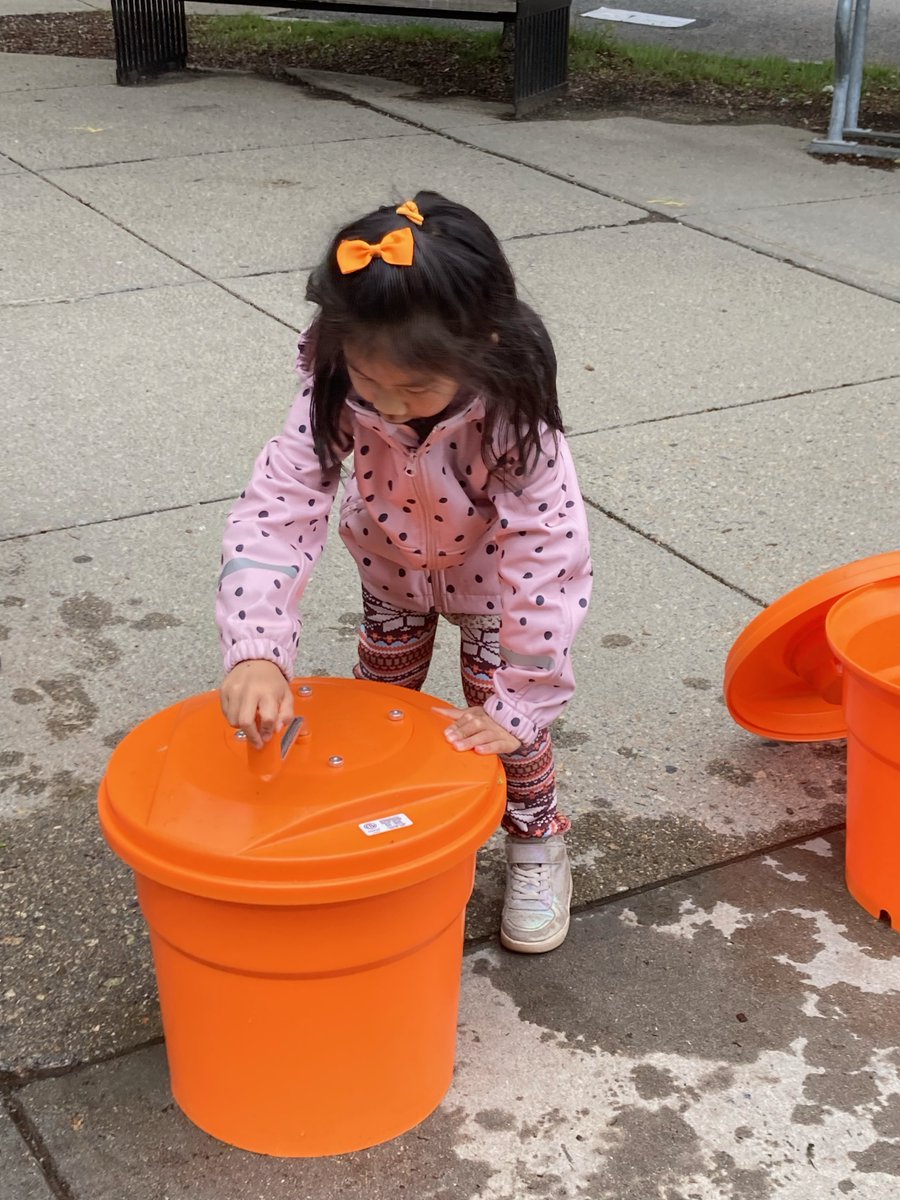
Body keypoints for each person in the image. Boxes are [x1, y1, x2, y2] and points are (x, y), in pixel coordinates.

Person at [217, 192, 592, 954]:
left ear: (480, 344)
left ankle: (534, 842)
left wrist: (522, 699)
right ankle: (380, 819)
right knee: (379, 695)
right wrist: (256, 648)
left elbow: (548, 560)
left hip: (496, 592)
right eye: (368, 379)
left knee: (500, 729)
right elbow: (276, 510)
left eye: (415, 390)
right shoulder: (333, 395)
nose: (386, 403)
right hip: (390, 572)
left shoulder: (516, 422)